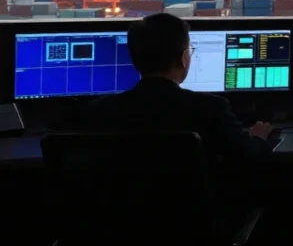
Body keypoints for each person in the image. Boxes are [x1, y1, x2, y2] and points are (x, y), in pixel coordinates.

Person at [83, 13, 273, 161]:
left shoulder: (101, 110)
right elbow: (248, 156)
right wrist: (257, 138)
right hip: (194, 210)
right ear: (183, 58)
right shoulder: (210, 108)